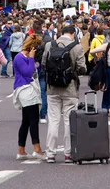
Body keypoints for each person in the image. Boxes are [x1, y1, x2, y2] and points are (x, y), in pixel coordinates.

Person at [42, 25, 87, 163]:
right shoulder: (77, 47)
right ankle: (68, 153)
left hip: (52, 88)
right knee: (68, 121)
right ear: (73, 34)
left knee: (53, 120)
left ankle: (50, 153)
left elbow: (44, 64)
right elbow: (82, 68)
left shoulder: (50, 45)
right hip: (70, 89)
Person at [14, 34, 46, 159]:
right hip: (25, 90)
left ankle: (21, 149)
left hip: (30, 89)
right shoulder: (19, 57)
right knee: (33, 120)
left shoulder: (24, 57)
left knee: (26, 121)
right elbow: (27, 72)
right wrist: (31, 59)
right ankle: (37, 148)